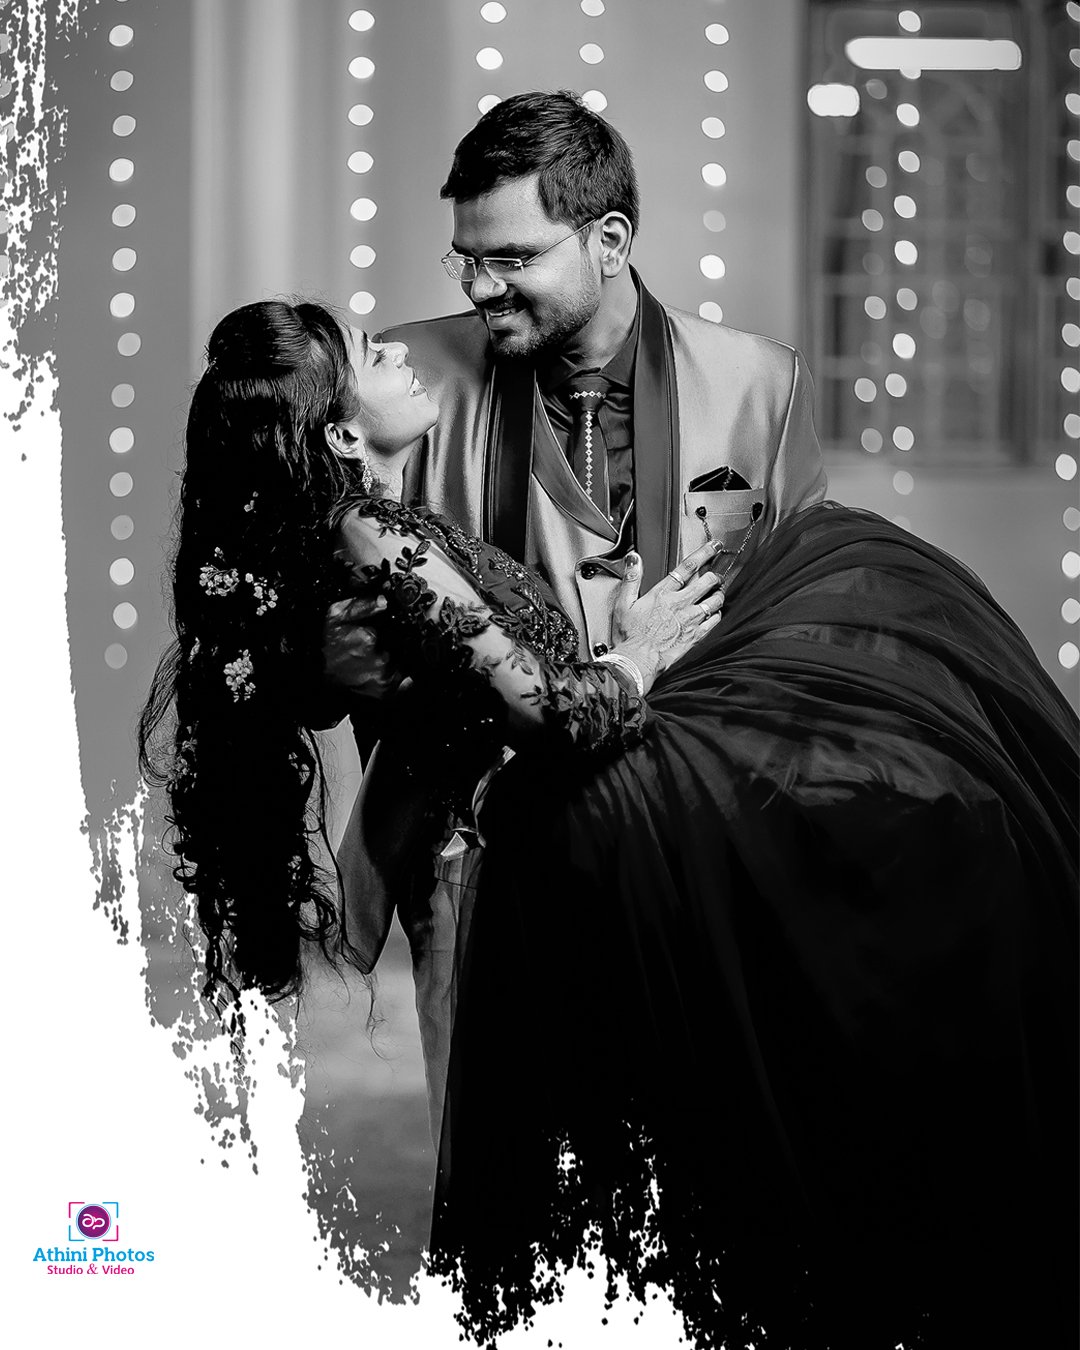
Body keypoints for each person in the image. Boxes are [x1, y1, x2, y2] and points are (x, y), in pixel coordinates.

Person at [141, 298, 1078, 1350]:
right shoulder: (376, 532)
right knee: (890, 803)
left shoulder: (368, 527)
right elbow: (550, 707)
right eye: (368, 353)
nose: (397, 348)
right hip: (571, 821)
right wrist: (635, 650)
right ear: (342, 435)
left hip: (566, 814)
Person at [328, 91, 828, 1125]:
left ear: (609, 239)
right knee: (497, 1164)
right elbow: (335, 591)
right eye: (465, 258)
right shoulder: (400, 379)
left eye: (510, 257)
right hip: (472, 852)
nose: (478, 283)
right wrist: (337, 653)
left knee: (684, 1156)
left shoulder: (759, 385)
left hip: (692, 846)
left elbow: (798, 616)